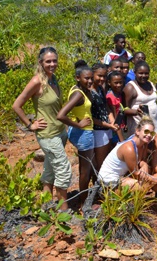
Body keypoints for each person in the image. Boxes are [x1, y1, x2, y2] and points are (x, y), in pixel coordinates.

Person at [13, 47, 71, 211]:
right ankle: (63, 211)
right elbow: (17, 105)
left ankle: (45, 205)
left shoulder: (53, 79)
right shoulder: (37, 81)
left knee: (51, 168)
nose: (52, 64)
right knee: (63, 169)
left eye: (54, 60)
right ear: (41, 62)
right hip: (48, 135)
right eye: (48, 61)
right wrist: (30, 125)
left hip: (60, 132)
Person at [57, 64, 95, 207]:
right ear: (78, 78)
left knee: (84, 168)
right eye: (87, 78)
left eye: (91, 78)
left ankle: (83, 198)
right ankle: (84, 202)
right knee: (85, 170)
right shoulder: (79, 94)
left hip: (81, 132)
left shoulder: (78, 89)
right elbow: (61, 115)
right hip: (84, 133)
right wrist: (78, 124)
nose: (90, 81)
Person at [98, 117, 157, 192]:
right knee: (145, 186)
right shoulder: (129, 148)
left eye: (152, 133)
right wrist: (156, 180)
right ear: (138, 131)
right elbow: (136, 174)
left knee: (155, 178)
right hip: (108, 181)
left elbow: (140, 161)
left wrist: (144, 164)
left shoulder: (144, 143)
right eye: (146, 131)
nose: (149, 135)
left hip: (120, 177)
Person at [90, 63, 117, 174]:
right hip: (98, 130)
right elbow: (90, 118)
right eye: (99, 76)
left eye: (104, 76)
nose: (102, 79)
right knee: (100, 163)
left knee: (107, 159)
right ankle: (100, 187)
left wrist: (112, 120)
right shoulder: (88, 92)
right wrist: (108, 125)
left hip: (107, 128)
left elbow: (105, 106)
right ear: (92, 75)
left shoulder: (100, 88)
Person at [124, 61, 157, 135]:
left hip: (154, 125)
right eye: (140, 73)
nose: (143, 76)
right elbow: (124, 110)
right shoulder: (130, 87)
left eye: (146, 73)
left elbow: (155, 105)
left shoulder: (150, 84)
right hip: (138, 127)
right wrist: (136, 112)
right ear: (135, 73)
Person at [106, 70, 126, 142]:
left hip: (121, 126)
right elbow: (115, 119)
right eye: (116, 83)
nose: (119, 85)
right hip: (116, 129)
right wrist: (121, 140)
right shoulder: (111, 97)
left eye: (120, 82)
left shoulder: (120, 94)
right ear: (109, 83)